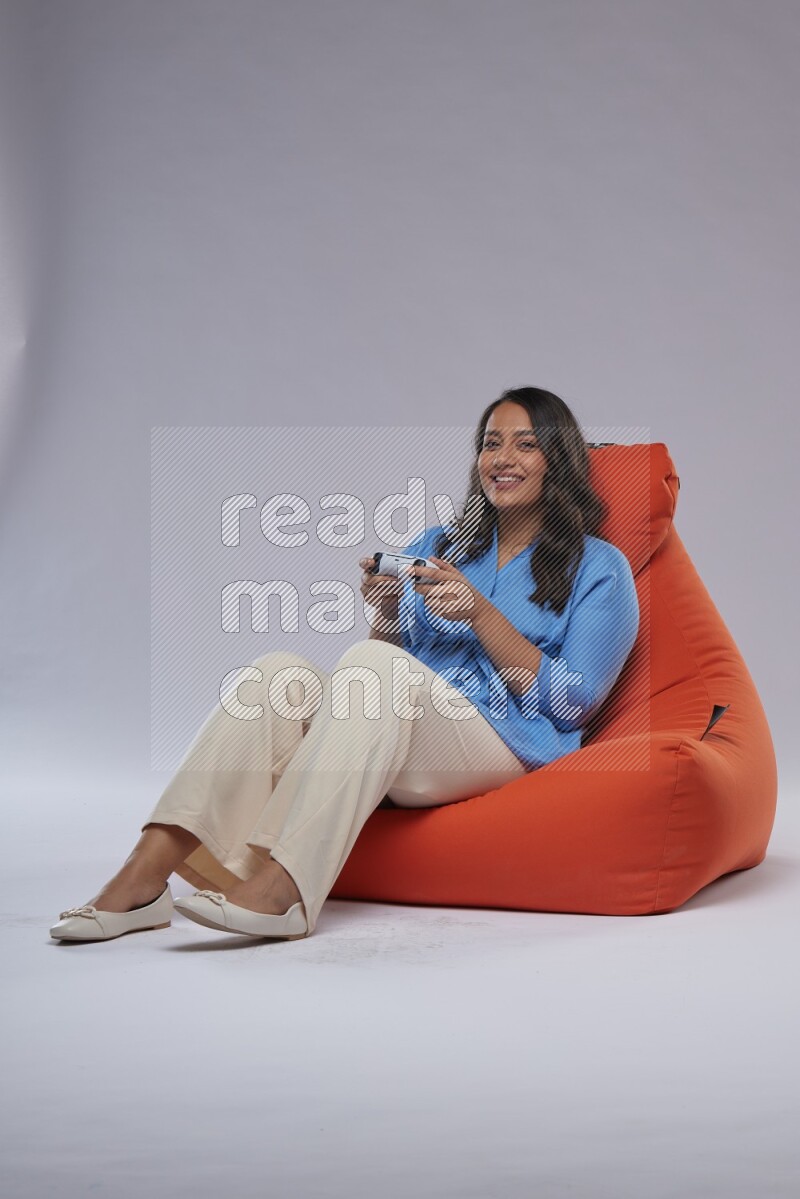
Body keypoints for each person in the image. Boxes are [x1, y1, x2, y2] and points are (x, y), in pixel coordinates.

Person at [50, 387, 640, 943]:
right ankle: (142, 877)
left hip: (507, 743)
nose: (501, 458)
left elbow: (574, 703)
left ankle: (282, 890)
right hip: (413, 731)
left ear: (557, 461)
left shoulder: (599, 566)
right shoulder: (443, 543)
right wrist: (385, 615)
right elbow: (391, 668)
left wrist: (484, 616)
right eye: (491, 443)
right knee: (276, 674)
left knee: (372, 666)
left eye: (525, 444)